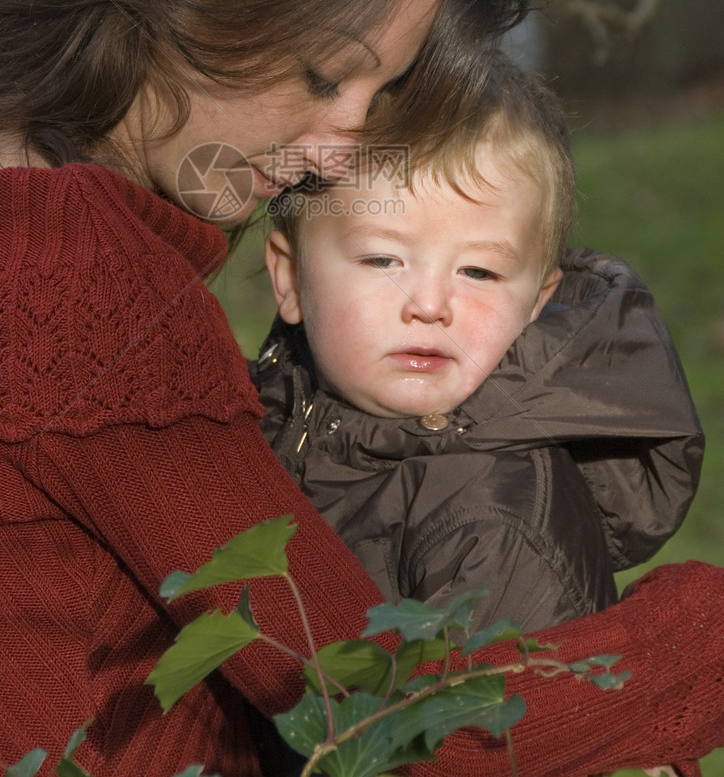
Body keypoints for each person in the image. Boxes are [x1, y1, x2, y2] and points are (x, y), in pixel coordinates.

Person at [0, 0, 721, 777]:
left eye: (374, 98)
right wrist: (700, 640)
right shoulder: (75, 276)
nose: (333, 152)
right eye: (323, 76)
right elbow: (386, 729)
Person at [253, 54, 703, 634]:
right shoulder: (260, 409)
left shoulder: (495, 521)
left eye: (480, 272)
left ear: (536, 303)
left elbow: (485, 722)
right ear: (290, 280)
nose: (430, 304)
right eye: (383, 259)